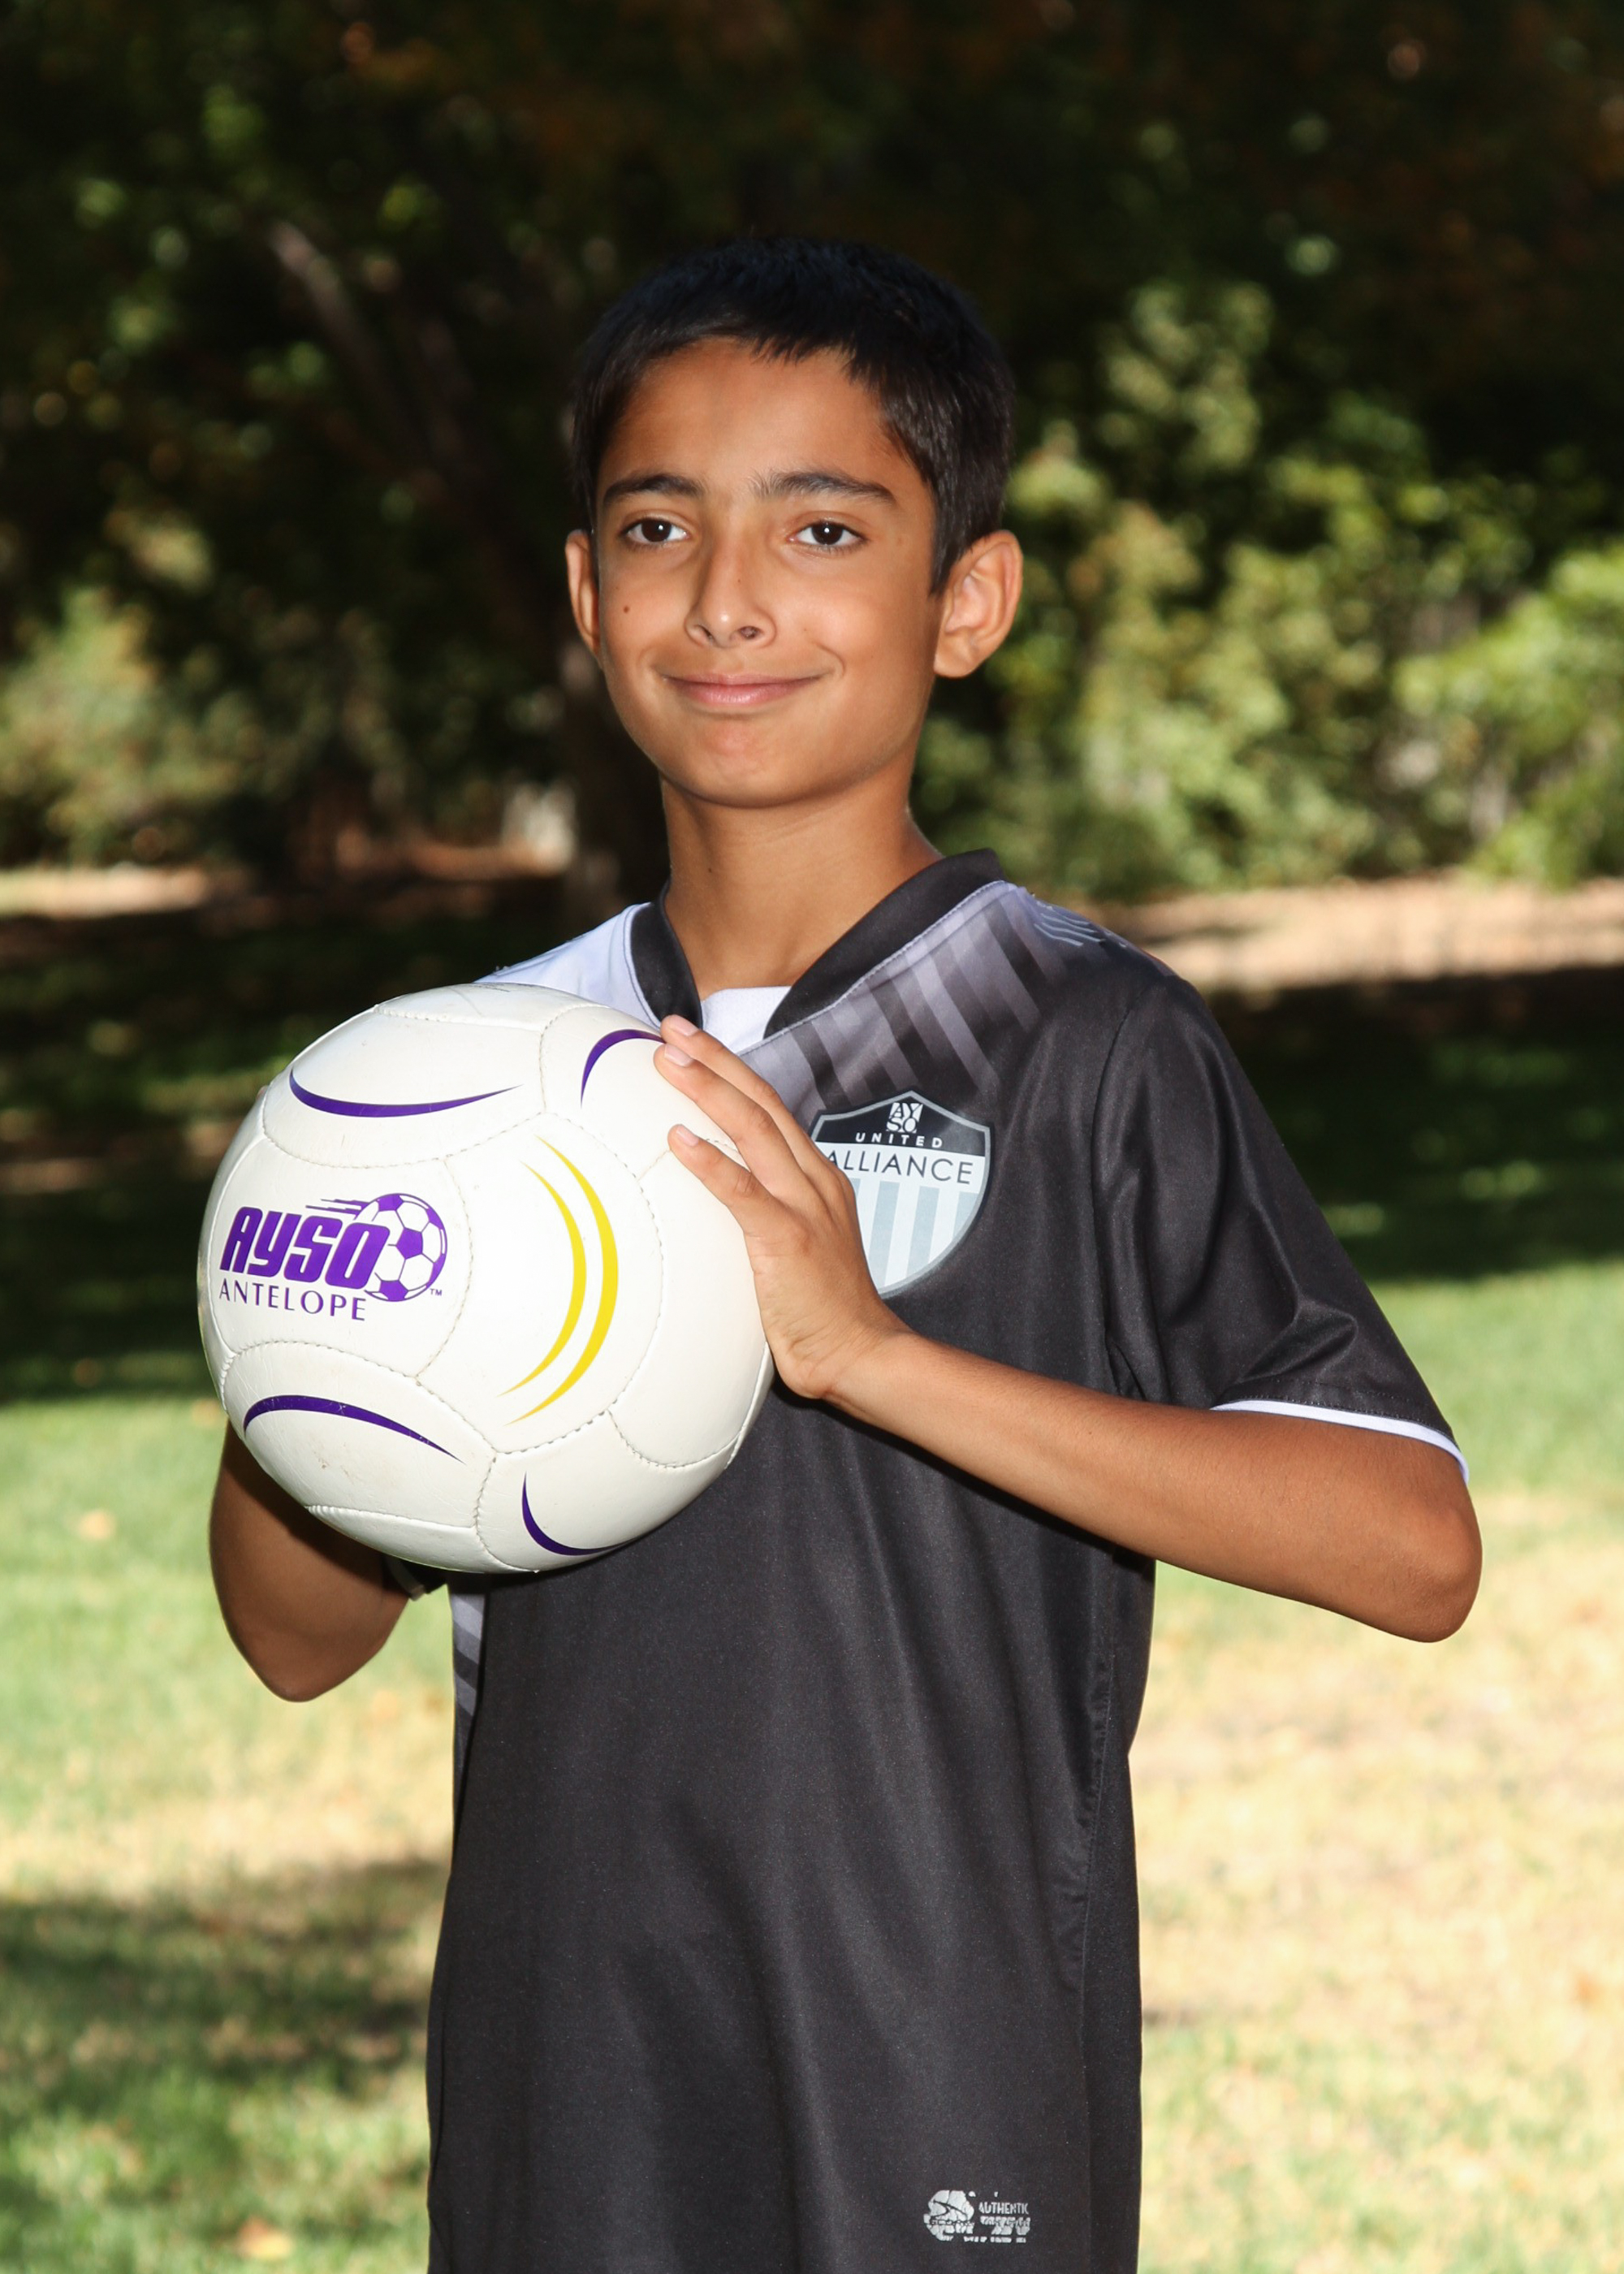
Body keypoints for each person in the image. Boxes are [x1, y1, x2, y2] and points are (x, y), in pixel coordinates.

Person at [209, 238, 1480, 2272]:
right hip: (566, 2076)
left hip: (935, 2063)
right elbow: (294, 1636)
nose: (727, 599)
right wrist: (321, 1349)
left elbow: (1411, 1546)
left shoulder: (1079, 1034)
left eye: (821, 528)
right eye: (658, 528)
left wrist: (874, 1353)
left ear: (963, 599)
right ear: (584, 592)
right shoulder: (477, 1070)